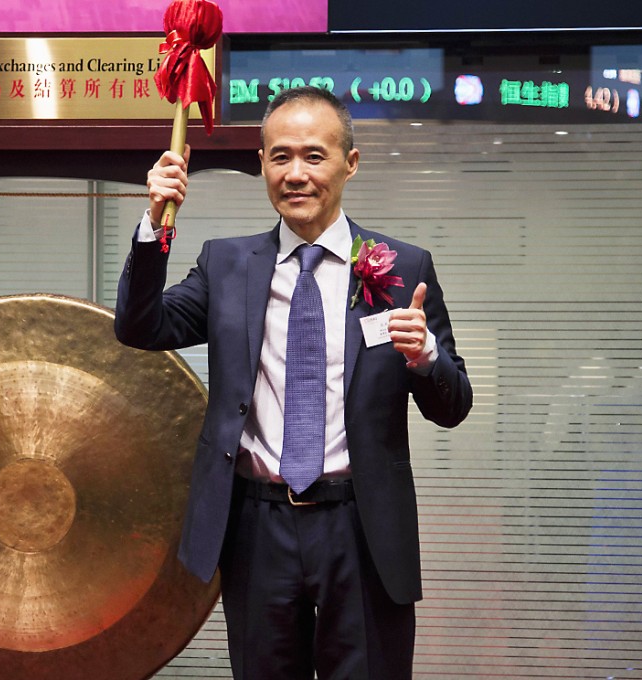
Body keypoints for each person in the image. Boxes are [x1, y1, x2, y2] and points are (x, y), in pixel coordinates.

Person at [114, 86, 472, 680]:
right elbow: (140, 326)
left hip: (361, 527)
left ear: (349, 164)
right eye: (280, 157)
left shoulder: (403, 266)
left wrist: (426, 356)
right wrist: (156, 221)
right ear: (261, 165)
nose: (296, 173)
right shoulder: (226, 264)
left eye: (314, 155)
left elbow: (453, 404)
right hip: (258, 524)